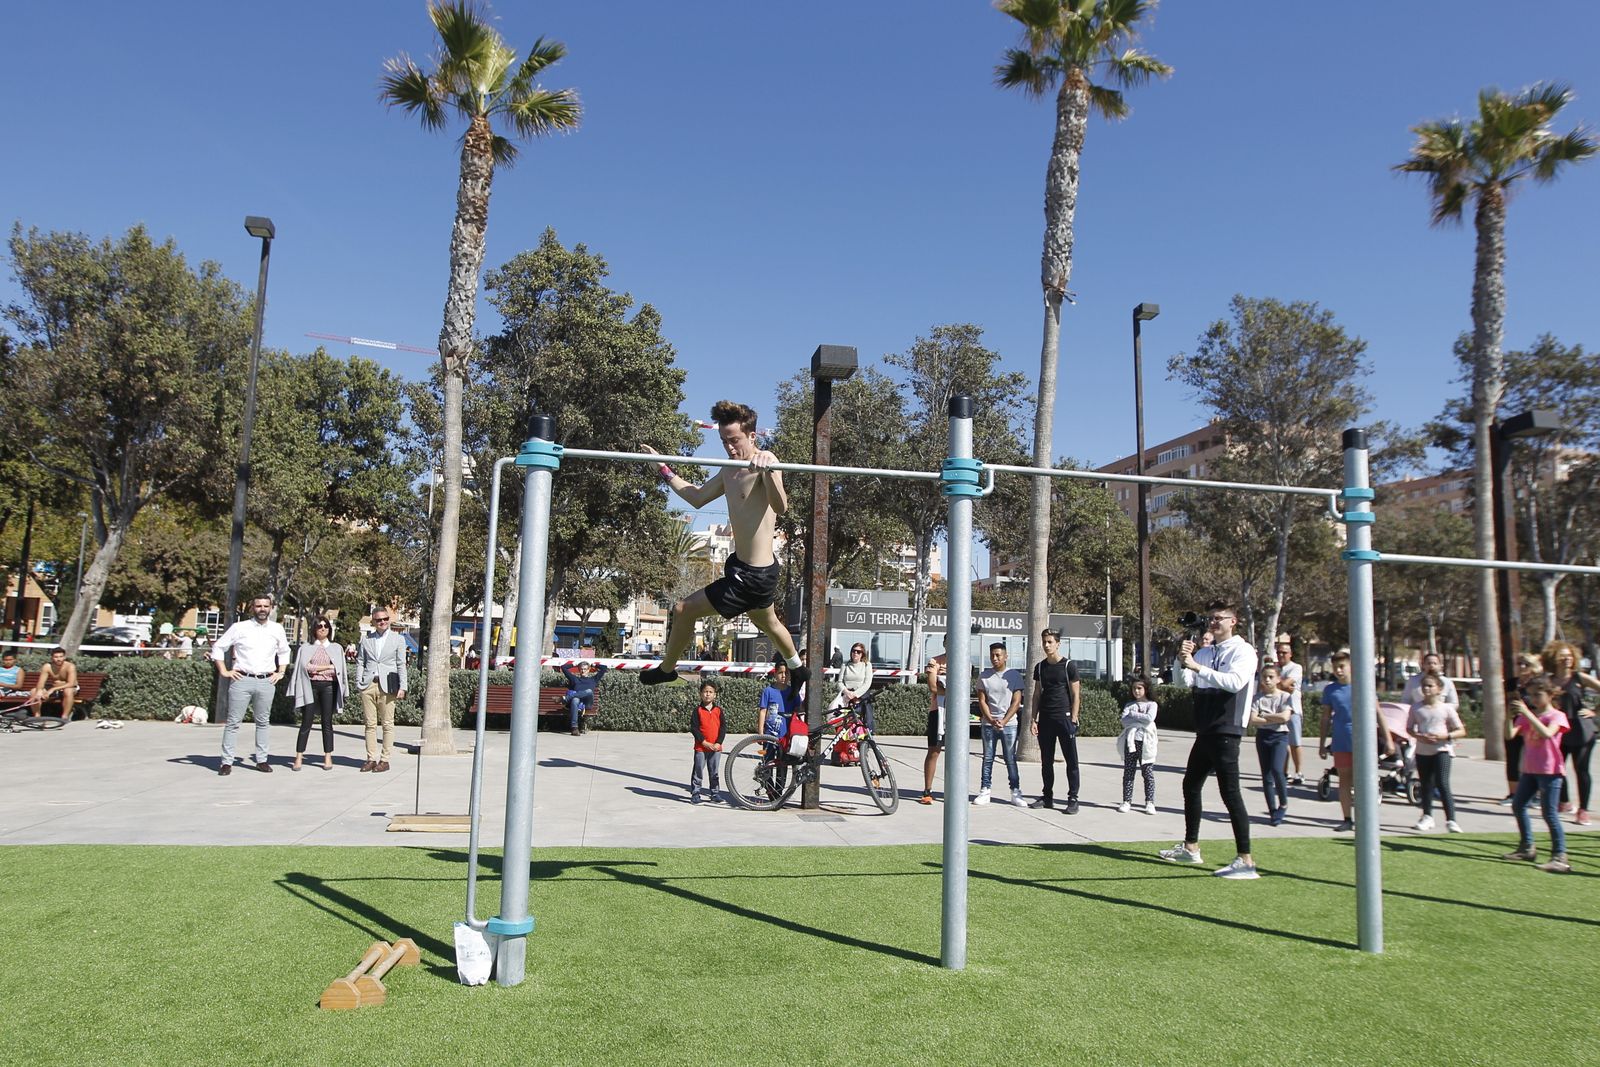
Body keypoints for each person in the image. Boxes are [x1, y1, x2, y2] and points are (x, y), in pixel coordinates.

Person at [639, 401, 808, 691]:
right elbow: (697, 497)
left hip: (753, 575)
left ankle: (666, 669)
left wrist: (769, 470)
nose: (729, 447)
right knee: (767, 620)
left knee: (683, 609)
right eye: (723, 441)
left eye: (734, 440)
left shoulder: (767, 460)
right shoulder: (730, 470)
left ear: (752, 436)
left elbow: (781, 506)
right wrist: (662, 468)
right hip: (745, 567)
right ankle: (798, 668)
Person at [1159, 602, 1259, 878]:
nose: (1213, 623)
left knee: (1230, 793)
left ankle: (1246, 860)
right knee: (1191, 785)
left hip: (1227, 728)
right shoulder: (1205, 652)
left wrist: (1196, 666)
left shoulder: (1243, 651)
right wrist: (1182, 661)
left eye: (1219, 618)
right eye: (1210, 619)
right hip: (1205, 729)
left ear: (1233, 621)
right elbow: (1183, 683)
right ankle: (1191, 847)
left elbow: (1235, 683)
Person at [1317, 649, 1395, 831]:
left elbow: (1378, 714)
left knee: (1364, 781)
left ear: (1351, 666)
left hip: (1364, 743)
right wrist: (1322, 744)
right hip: (1341, 741)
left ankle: (1366, 819)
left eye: (1342, 666)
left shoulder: (1364, 686)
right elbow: (1325, 718)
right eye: (1335, 667)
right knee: (1344, 780)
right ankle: (1347, 819)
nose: (1338, 670)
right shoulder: (1330, 690)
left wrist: (1389, 740)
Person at [211, 596, 289, 775]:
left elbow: (284, 651)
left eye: (265, 606)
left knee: (263, 722)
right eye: (258, 606)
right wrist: (224, 671)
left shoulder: (277, 629)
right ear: (252, 608)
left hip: (266, 681)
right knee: (233, 722)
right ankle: (226, 762)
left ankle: (262, 760)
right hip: (242, 680)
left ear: (270, 608)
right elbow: (218, 647)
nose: (262, 609)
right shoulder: (240, 627)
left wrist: (281, 672)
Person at [1505, 677, 1571, 873]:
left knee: (1549, 813)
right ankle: (1527, 847)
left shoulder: (1557, 716)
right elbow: (1509, 735)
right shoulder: (1528, 716)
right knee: (1518, 806)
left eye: (1538, 694)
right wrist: (1509, 716)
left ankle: (1560, 856)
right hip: (1530, 770)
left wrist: (1526, 713)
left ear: (1550, 695)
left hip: (1550, 771)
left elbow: (1547, 733)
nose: (1533, 699)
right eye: (1531, 695)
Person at [1543, 639, 1599, 825]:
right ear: (1553, 658)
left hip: (1581, 730)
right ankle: (1564, 802)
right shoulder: (1548, 680)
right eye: (1562, 655)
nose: (1567, 659)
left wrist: (1595, 711)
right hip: (1558, 729)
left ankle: (1583, 810)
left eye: (1569, 655)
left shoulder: (1579, 678)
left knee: (1581, 769)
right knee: (1556, 767)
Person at [1028, 629, 1080, 814]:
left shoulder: (1069, 666)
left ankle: (1073, 798)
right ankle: (1047, 797)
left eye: (1050, 642)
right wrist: (1033, 719)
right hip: (1046, 720)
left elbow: (1076, 694)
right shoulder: (1040, 667)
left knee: (1071, 761)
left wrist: (1073, 718)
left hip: (1064, 719)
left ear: (1058, 644)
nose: (1046, 645)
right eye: (1044, 642)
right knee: (1046, 761)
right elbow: (1036, 695)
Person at [1406, 672, 1465, 833]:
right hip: (1422, 751)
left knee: (1442, 783)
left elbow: (1460, 730)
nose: (1426, 689)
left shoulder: (1446, 708)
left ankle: (1451, 820)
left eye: (1430, 686)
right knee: (1425, 784)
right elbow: (1409, 728)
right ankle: (1427, 816)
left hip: (1442, 750)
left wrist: (1445, 736)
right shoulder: (1416, 708)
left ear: (1439, 689)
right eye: (1424, 686)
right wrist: (1420, 736)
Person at [287, 617, 347, 772]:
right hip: (310, 687)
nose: (323, 628)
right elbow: (305, 667)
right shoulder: (306, 648)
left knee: (327, 723)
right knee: (306, 722)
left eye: (326, 626)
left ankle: (328, 756)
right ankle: (298, 757)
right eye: (319, 626)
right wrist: (327, 667)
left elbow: (338, 669)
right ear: (314, 629)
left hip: (329, 687)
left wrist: (317, 668)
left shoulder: (336, 648)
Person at [356, 608, 407, 773]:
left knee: (387, 724)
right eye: (379, 620)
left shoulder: (398, 639)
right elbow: (361, 661)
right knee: (370, 724)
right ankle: (371, 758)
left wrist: (403, 686)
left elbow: (401, 664)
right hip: (368, 684)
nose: (383, 622)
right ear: (373, 622)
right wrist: (359, 682)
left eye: (385, 619)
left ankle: (384, 760)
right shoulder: (366, 639)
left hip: (388, 686)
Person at [974, 643, 1025, 807]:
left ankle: (1015, 791)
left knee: (1010, 758)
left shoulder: (1014, 676)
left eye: (998, 655)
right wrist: (990, 720)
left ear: (1005, 656)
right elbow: (982, 700)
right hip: (989, 724)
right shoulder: (984, 676)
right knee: (988, 757)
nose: (995, 658)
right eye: (992, 655)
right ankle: (985, 790)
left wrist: (1004, 721)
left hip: (1009, 724)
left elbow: (1016, 702)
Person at [1250, 663, 1294, 826]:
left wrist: (1265, 716)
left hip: (1280, 736)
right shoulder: (1257, 698)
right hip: (1263, 736)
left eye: (1271, 677)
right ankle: (1272, 810)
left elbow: (1285, 717)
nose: (1267, 680)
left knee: (1277, 770)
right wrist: (1272, 718)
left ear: (1278, 679)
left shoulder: (1284, 697)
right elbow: (1253, 720)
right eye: (1264, 677)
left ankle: (1283, 803)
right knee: (1266, 776)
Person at [1116, 677, 1159, 815]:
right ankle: (1126, 801)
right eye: (1134, 688)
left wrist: (1134, 715)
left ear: (1146, 689)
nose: (1136, 691)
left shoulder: (1152, 705)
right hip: (1131, 741)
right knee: (1128, 772)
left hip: (1146, 742)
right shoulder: (1129, 704)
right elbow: (1124, 721)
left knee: (1147, 772)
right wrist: (1139, 718)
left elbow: (1149, 718)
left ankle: (1150, 802)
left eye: (1139, 688)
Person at [1272, 634, 1307, 785]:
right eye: (1279, 652)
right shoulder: (1274, 668)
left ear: (1290, 654)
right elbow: (1267, 685)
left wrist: (1278, 685)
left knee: (1295, 742)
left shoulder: (1296, 668)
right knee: (1281, 743)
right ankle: (1284, 772)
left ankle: (1299, 772)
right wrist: (1282, 686)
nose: (1281, 655)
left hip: (1293, 710)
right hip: (1278, 711)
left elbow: (1285, 684)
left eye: (1284, 652)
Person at [689, 681, 726, 804]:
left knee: (714, 772)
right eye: (705, 692)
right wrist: (703, 742)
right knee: (698, 770)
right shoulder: (697, 710)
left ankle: (715, 793)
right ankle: (695, 793)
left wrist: (718, 743)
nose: (708, 694)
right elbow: (694, 728)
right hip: (701, 748)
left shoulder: (719, 711)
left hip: (715, 748)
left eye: (710, 692)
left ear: (715, 695)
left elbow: (723, 728)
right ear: (700, 694)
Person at [921, 653, 948, 805]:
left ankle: (953, 790)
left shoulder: (965, 660)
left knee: (957, 753)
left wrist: (944, 686)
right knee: (934, 751)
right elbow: (932, 686)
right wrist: (950, 689)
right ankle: (927, 790)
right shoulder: (934, 661)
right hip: (937, 711)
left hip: (957, 713)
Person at [560, 660, 609, 737]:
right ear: (579, 670)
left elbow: (604, 668)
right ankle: (574, 728)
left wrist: (594, 665)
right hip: (577, 703)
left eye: (585, 669)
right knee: (575, 699)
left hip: (587, 703)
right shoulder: (574, 679)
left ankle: (566, 698)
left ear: (589, 670)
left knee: (589, 691)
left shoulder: (593, 679)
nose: (583, 671)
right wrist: (574, 664)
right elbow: (563, 668)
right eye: (581, 669)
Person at [31, 647, 79, 720]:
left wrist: (53, 689)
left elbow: (71, 683)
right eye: (56, 657)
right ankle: (37, 716)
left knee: (68, 691)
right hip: (54, 688)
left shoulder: (70, 666)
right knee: (34, 691)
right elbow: (41, 682)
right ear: (52, 658)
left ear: (64, 657)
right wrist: (39, 691)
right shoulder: (47, 667)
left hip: (69, 687)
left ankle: (65, 716)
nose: (58, 659)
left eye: (61, 656)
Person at [837, 642, 876, 731]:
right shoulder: (845, 665)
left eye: (858, 652)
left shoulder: (867, 665)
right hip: (846, 697)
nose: (855, 653)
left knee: (863, 723)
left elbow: (867, 683)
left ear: (862, 654)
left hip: (861, 697)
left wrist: (855, 694)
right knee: (845, 724)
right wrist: (847, 693)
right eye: (854, 651)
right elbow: (839, 682)